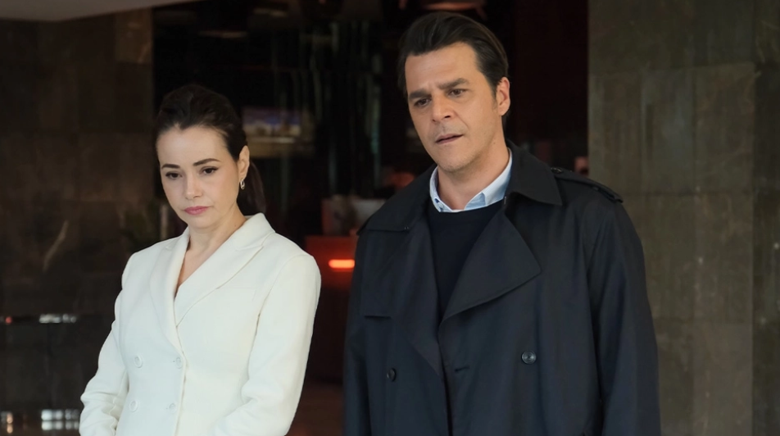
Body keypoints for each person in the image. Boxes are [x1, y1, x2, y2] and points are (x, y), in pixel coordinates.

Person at [343, 12, 660, 436]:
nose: (439, 112)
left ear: (501, 96)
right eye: (421, 100)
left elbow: (631, 395)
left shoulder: (588, 221)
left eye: (456, 91)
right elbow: (361, 400)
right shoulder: (382, 236)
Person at [80, 84, 321, 436]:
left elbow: (268, 410)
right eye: (173, 174)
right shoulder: (143, 265)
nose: (189, 190)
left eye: (207, 170)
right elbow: (105, 393)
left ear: (241, 163)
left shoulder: (286, 267)